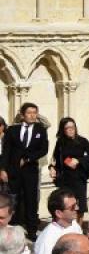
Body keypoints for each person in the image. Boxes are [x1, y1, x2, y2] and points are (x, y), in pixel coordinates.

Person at [3, 102, 48, 238]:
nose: (32, 115)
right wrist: (3, 170)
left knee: (31, 199)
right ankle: (12, 227)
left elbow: (43, 149)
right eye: (29, 113)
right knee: (13, 199)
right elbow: (6, 151)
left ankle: (32, 229)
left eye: (35, 113)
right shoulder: (12, 130)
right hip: (14, 171)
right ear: (22, 115)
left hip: (30, 171)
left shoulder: (40, 130)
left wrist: (28, 159)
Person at [50, 117, 89, 217]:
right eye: (68, 128)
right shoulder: (60, 143)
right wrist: (51, 168)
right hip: (65, 178)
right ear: (63, 130)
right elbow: (55, 158)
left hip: (79, 178)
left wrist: (79, 160)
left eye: (73, 127)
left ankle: (78, 229)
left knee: (80, 206)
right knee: (66, 205)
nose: (71, 129)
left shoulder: (82, 141)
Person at [34, 188, 82, 254]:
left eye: (76, 204)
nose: (77, 208)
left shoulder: (74, 225)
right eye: (72, 207)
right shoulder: (47, 239)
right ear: (58, 213)